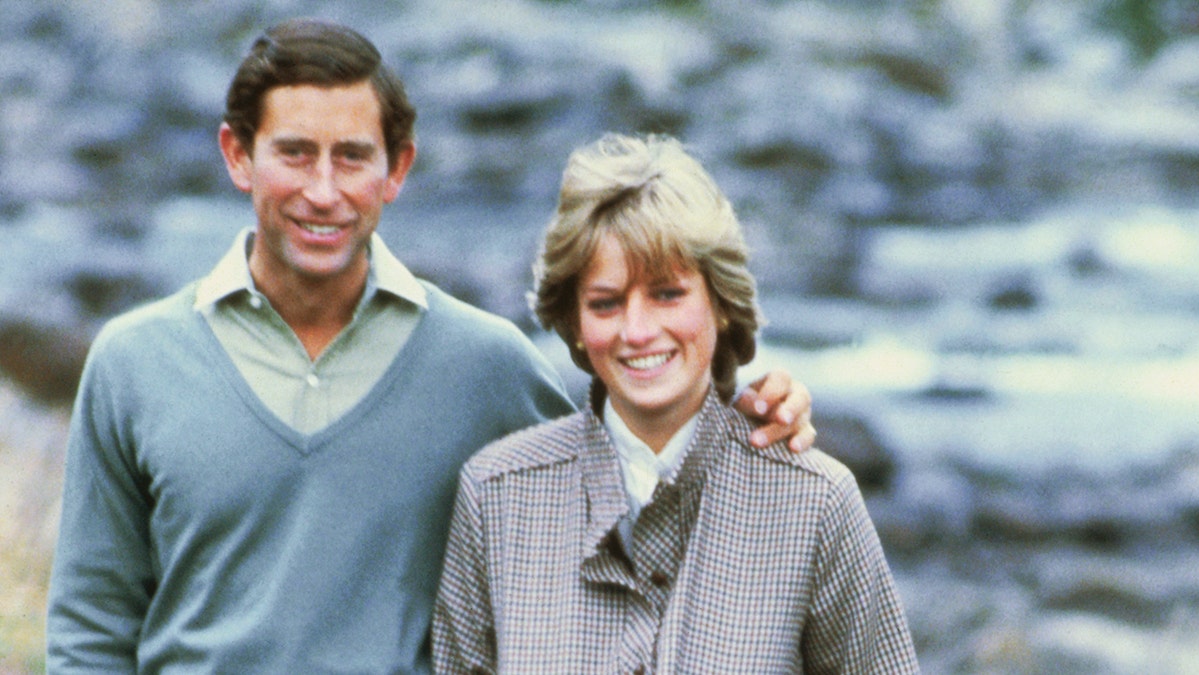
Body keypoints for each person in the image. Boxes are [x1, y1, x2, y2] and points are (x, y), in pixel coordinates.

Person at [45, 19, 816, 674]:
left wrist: (753, 410)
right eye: (294, 153)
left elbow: (640, 477)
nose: (323, 190)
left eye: (351, 156)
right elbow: (91, 631)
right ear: (238, 155)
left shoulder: (484, 367)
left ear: (397, 169)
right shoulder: (132, 363)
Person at [432, 133, 918, 673]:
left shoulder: (815, 503)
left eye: (667, 294)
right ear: (573, 323)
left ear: (723, 303)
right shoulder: (495, 497)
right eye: (606, 303)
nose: (637, 331)